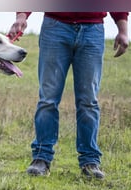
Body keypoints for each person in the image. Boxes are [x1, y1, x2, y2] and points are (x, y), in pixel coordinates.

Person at [8, 12, 129, 179]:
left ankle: (90, 162)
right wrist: (22, 16)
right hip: (55, 27)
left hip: (93, 30)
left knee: (89, 101)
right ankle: (41, 159)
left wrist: (123, 29)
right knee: (48, 99)